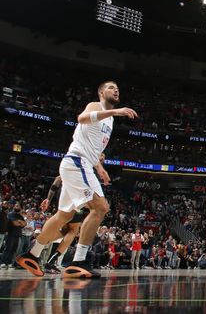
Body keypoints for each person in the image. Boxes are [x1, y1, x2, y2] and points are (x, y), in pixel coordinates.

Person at [17, 81, 137, 278]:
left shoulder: (109, 121)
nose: (116, 90)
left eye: (117, 88)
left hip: (78, 164)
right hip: (76, 163)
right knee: (100, 207)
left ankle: (32, 255)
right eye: (111, 87)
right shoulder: (96, 106)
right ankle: (78, 262)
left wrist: (100, 168)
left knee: (63, 217)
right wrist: (115, 112)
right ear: (100, 92)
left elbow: (93, 149)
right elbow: (81, 118)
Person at [38, 175, 89, 274]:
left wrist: (48, 199)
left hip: (62, 195)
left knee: (65, 229)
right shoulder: (85, 165)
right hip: (74, 195)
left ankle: (38, 249)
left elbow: (57, 179)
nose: (102, 159)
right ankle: (48, 260)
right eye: (102, 158)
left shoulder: (69, 164)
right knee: (73, 230)